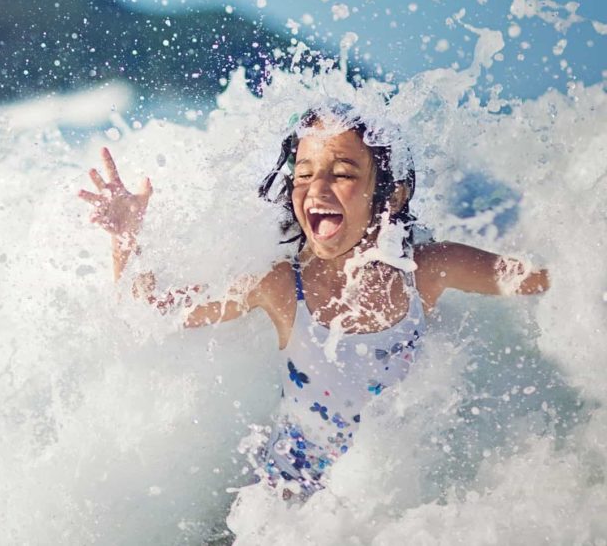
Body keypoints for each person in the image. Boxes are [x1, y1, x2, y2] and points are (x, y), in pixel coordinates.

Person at [77, 105, 550, 499]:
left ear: (391, 196)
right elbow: (151, 312)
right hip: (283, 511)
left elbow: (548, 280)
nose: (317, 189)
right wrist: (125, 239)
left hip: (383, 502)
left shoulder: (427, 271)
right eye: (303, 175)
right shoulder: (281, 284)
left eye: (343, 173)